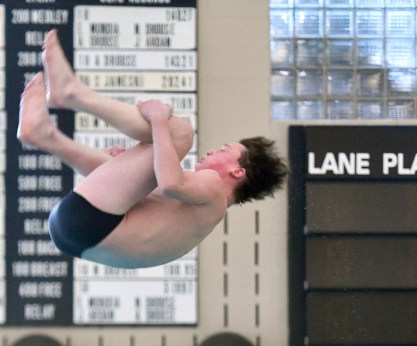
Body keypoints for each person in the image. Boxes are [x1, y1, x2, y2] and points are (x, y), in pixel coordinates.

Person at [18, 30, 289, 269]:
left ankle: (72, 94)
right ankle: (45, 135)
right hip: (76, 236)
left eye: (222, 150)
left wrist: (158, 119)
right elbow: (160, 188)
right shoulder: (206, 213)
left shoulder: (214, 186)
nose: (211, 152)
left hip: (91, 223)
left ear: (237, 170)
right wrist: (126, 166)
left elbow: (171, 183)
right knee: (157, 152)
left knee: (180, 133)